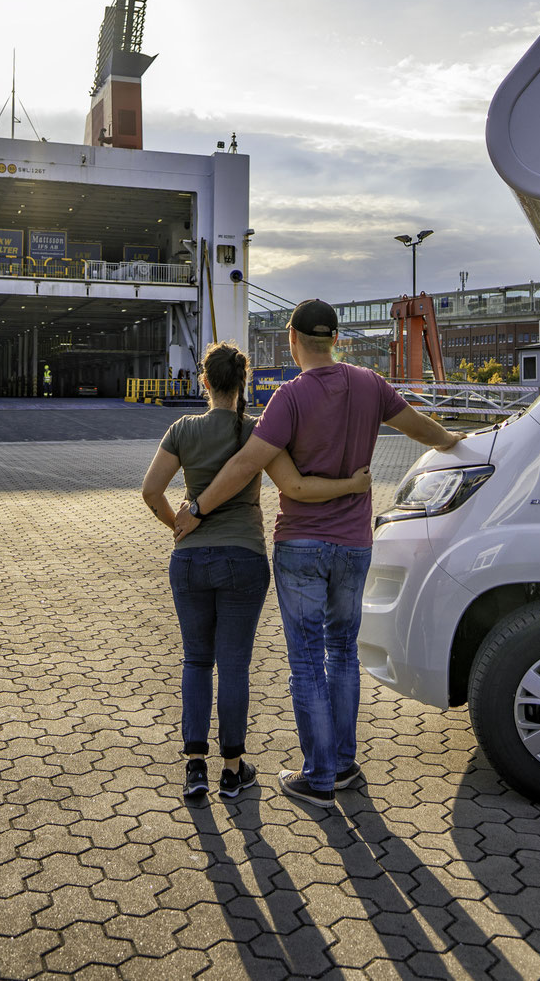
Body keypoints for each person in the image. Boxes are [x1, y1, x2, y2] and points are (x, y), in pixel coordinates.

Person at [175, 300, 463, 807]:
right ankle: (345, 764)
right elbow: (423, 429)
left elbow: (246, 465)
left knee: (307, 661)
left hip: (302, 545)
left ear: (292, 338)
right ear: (335, 338)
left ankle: (319, 776)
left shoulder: (289, 398)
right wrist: (459, 442)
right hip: (354, 545)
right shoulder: (370, 383)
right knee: (343, 653)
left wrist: (197, 508)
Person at [141, 341, 372, 802]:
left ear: (204, 381)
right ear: (243, 382)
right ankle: (232, 770)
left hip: (190, 562)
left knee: (194, 660)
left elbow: (151, 491)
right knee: (234, 666)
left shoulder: (183, 428)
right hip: (243, 559)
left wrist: (180, 526)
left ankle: (194, 769)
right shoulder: (256, 431)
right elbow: (295, 485)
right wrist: (352, 485)